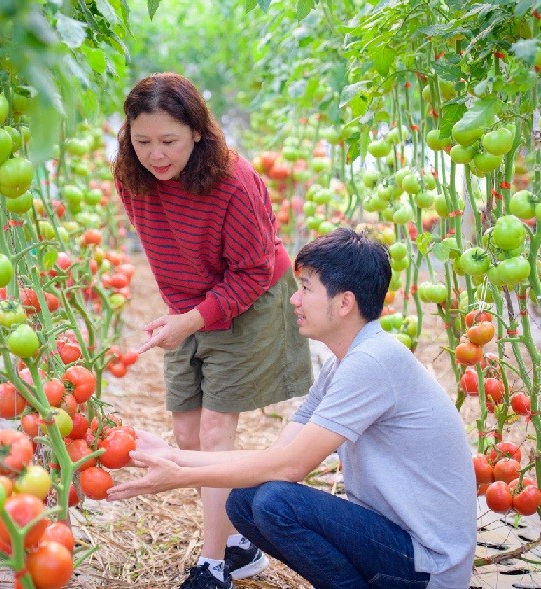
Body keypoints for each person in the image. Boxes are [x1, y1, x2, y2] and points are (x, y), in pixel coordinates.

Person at [107, 228, 478, 589]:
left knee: (275, 502)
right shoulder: (343, 363)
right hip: (394, 542)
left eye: (305, 289)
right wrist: (172, 456)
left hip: (429, 564)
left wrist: (178, 475)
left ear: (344, 302)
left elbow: (290, 468)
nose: (293, 300)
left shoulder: (373, 362)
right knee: (245, 501)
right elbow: (278, 457)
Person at [113, 73, 313, 589]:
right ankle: (244, 542)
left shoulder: (234, 182)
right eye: (143, 141)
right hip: (187, 306)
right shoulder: (131, 175)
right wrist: (182, 314)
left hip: (248, 301)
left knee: (215, 434)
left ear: (198, 132)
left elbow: (249, 272)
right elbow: (167, 244)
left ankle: (214, 564)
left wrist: (193, 319)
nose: (155, 155)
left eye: (169, 141)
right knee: (187, 436)